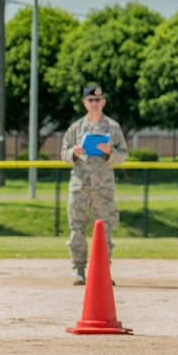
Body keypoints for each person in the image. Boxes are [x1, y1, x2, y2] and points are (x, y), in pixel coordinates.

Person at [60, 83, 128, 285]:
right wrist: (74, 152)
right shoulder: (76, 128)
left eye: (98, 100)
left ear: (104, 101)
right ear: (84, 103)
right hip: (80, 185)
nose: (95, 103)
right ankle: (80, 269)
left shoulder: (113, 128)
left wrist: (109, 152)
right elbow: (63, 153)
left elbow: (123, 155)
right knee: (77, 227)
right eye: (91, 100)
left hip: (103, 187)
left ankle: (103, 271)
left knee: (105, 228)